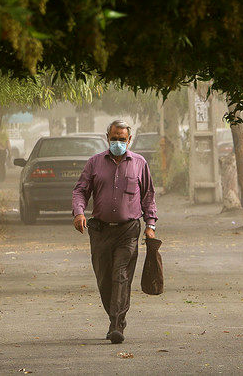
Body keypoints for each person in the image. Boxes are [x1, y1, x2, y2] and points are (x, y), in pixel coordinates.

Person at [72, 120, 158, 344]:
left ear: (129, 140)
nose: (118, 142)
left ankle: (117, 324)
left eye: (122, 139)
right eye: (114, 138)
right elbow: (81, 190)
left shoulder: (139, 163)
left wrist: (150, 225)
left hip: (128, 231)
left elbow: (148, 195)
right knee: (104, 279)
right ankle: (114, 317)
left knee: (121, 276)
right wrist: (79, 212)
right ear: (107, 138)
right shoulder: (94, 163)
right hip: (100, 231)